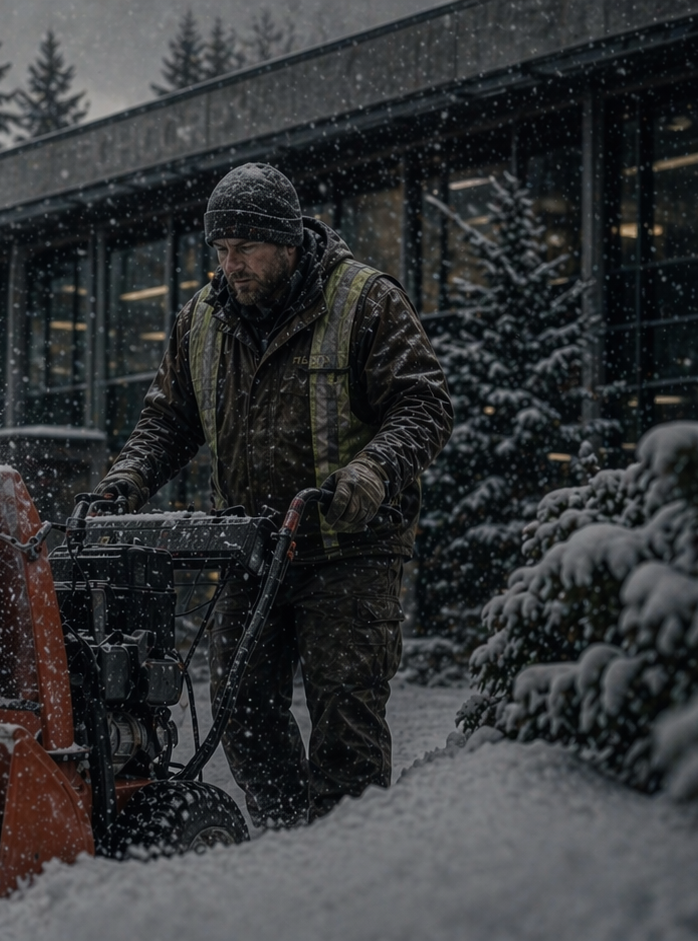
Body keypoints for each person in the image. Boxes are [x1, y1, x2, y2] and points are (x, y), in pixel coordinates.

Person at [98, 163, 453, 828]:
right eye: (222, 251)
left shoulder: (364, 302)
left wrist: (373, 470)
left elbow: (424, 403)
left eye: (247, 249)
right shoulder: (201, 322)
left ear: (288, 246)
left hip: (351, 545)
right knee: (243, 707)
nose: (232, 266)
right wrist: (131, 475)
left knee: (345, 709)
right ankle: (288, 842)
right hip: (254, 548)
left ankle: (351, 857)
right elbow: (168, 420)